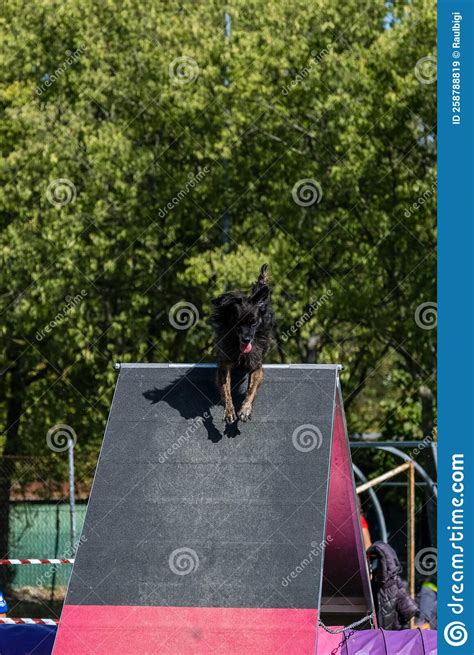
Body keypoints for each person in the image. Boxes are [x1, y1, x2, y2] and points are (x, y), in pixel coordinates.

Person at [368, 541, 418, 629]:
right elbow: (411, 609)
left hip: (388, 631)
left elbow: (411, 609)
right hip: (389, 633)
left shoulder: (391, 583)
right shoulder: (395, 581)